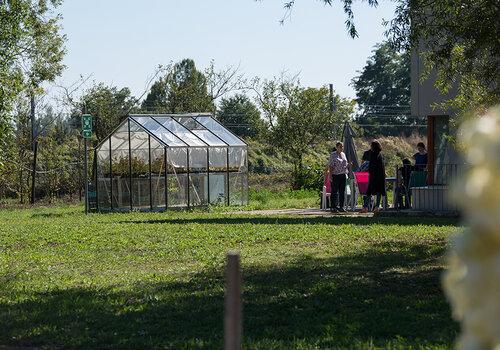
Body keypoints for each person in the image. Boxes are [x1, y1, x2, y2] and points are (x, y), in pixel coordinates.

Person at [328, 142, 350, 212]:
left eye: (342, 147)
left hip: (343, 175)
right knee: (334, 191)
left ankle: (341, 206)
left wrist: (349, 165)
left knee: (342, 191)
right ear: (337, 147)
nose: (342, 148)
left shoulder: (343, 154)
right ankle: (333, 207)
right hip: (335, 175)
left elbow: (345, 165)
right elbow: (331, 166)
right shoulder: (333, 155)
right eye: (340, 147)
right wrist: (330, 175)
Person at [366, 140, 386, 213]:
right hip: (380, 175)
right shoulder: (380, 154)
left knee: (369, 191)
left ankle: (366, 207)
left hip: (374, 175)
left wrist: (369, 172)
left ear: (373, 146)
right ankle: (377, 207)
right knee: (379, 191)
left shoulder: (373, 154)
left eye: (371, 146)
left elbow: (371, 165)